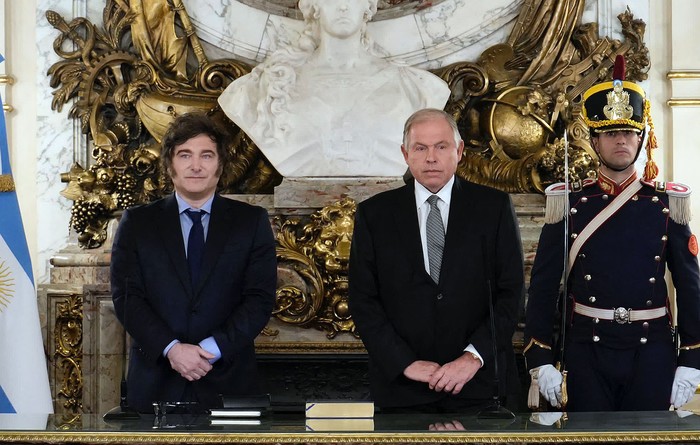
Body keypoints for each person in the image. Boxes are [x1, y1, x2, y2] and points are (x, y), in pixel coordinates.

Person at [524, 56, 700, 412]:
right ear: (594, 139)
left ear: (641, 139)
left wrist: (692, 358)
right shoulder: (567, 203)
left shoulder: (667, 203)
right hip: (585, 351)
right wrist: (539, 357)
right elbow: (544, 286)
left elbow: (690, 286)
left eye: (628, 133)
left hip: (651, 352)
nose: (621, 141)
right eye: (610, 133)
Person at [348, 108, 524, 412]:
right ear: (405, 154)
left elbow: (512, 294)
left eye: (441, 146)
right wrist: (405, 363)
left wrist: (472, 358)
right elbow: (363, 300)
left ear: (459, 151)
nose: (431, 157)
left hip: (480, 386)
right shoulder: (374, 214)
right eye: (420, 148)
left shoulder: (492, 208)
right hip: (402, 389)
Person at [110, 112, 277, 413]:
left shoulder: (251, 222)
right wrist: (173, 350)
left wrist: (208, 350)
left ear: (220, 165)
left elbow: (259, 300)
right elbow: (127, 299)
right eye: (185, 155)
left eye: (206, 155)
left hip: (229, 381)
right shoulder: (138, 223)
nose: (196, 166)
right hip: (155, 383)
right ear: (170, 164)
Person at [218, 0, 450, 177]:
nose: (342, 6)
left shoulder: (418, 87)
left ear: (368, 6)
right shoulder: (265, 87)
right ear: (315, 5)